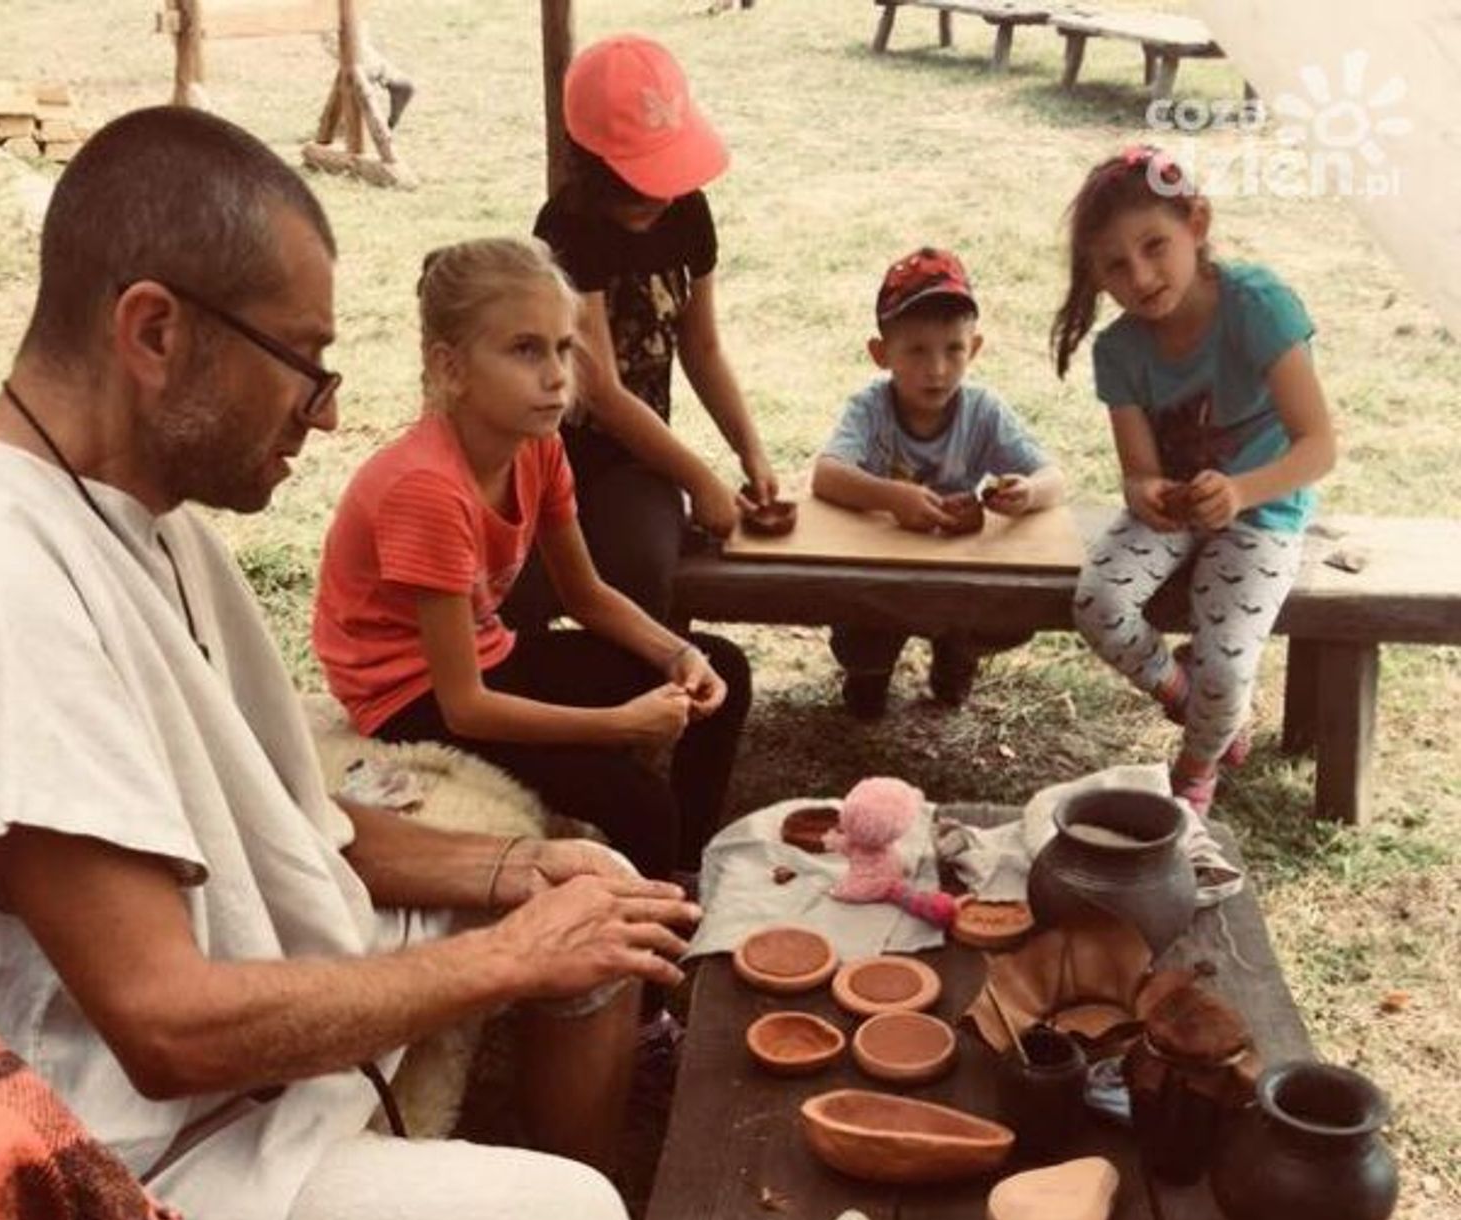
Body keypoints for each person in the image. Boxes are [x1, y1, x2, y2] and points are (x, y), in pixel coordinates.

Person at [0, 106, 702, 1220]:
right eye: (303, 358)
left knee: (589, 884)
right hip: (145, 1139)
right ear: (154, 331)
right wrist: (501, 957)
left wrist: (523, 872)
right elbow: (164, 1028)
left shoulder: (146, 517)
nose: (329, 411)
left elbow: (292, 822)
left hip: (232, 1010)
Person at [312, 235, 751, 886]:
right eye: (525, 349)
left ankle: (685, 877)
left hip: (486, 656)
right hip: (407, 696)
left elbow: (585, 594)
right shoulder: (426, 488)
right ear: (450, 367)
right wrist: (617, 726)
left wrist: (677, 655)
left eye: (563, 348)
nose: (556, 376)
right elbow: (464, 707)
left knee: (724, 671)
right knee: (641, 805)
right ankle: (656, 935)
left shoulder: (537, 448)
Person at [1054, 146, 1336, 816]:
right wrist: (1145, 493)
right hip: (1176, 513)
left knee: (1228, 665)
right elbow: (1139, 472)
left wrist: (1240, 493)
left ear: (1198, 224)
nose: (1140, 276)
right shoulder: (1118, 350)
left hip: (1263, 512)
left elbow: (1319, 446)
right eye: (1115, 265)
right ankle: (1187, 697)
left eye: (1154, 245)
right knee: (1098, 603)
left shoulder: (1258, 306)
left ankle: (1196, 769)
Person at [511, 32, 778, 627]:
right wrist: (701, 480)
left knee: (645, 565)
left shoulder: (688, 211)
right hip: (552, 452)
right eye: (634, 182)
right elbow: (601, 391)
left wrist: (751, 452)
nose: (656, 196)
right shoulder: (566, 229)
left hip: (636, 461)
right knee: (525, 584)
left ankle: (659, 676)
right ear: (589, 164)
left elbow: (702, 347)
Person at [814, 247, 1066, 721]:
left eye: (953, 349)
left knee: (1006, 611)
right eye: (916, 350)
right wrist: (891, 497)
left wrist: (1028, 493)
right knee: (862, 632)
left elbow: (1053, 478)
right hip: (882, 571)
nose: (937, 369)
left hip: (959, 572)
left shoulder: (983, 411)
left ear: (975, 348)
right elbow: (826, 474)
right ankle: (869, 674)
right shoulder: (870, 408)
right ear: (881, 354)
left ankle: (957, 653)